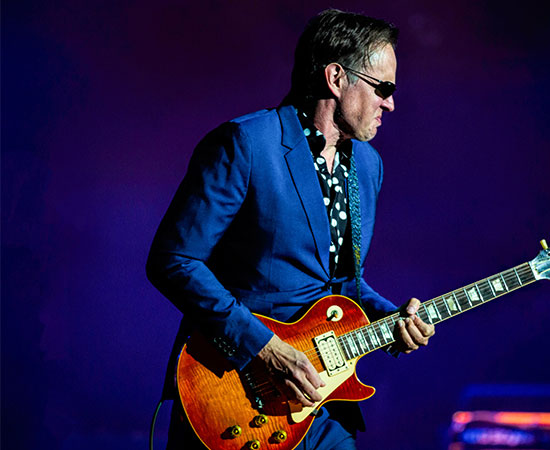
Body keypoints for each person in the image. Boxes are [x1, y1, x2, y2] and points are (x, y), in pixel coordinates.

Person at [146, 8, 435, 450]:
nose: (391, 103)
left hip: (321, 406)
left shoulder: (368, 167)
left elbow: (339, 282)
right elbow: (174, 259)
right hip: (235, 396)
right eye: (384, 87)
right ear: (337, 78)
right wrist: (264, 347)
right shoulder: (246, 142)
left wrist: (390, 317)